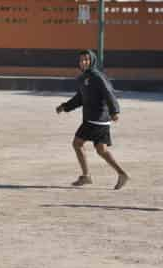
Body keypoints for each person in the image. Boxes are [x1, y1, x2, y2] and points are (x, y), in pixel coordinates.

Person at [56, 49, 130, 190]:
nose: (83, 62)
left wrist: (115, 111)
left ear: (92, 61)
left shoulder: (96, 76)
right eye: (81, 60)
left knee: (77, 144)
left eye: (86, 59)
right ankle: (122, 174)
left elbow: (109, 92)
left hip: (95, 119)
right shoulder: (84, 78)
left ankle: (86, 176)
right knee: (101, 150)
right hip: (98, 120)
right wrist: (65, 107)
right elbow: (79, 98)